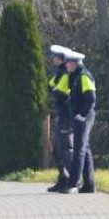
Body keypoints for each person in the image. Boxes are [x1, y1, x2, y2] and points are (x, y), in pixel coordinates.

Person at [60, 48, 96, 194]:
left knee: (78, 150)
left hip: (84, 117)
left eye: (68, 63)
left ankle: (73, 183)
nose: (66, 66)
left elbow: (91, 97)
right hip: (79, 117)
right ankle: (89, 185)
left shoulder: (83, 76)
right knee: (84, 149)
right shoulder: (74, 76)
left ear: (74, 63)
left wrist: (82, 114)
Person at [46, 44, 73, 192]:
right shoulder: (59, 72)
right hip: (60, 113)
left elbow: (59, 92)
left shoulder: (66, 73)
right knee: (57, 150)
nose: (51, 58)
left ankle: (74, 179)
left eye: (54, 56)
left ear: (62, 59)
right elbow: (50, 87)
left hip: (66, 115)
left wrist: (55, 89)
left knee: (66, 149)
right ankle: (63, 179)